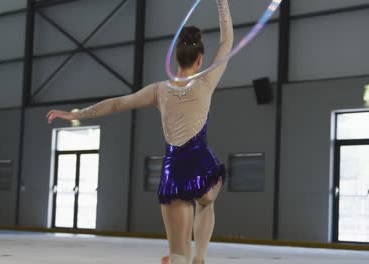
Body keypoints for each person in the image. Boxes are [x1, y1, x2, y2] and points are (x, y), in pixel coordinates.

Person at [46, 1, 233, 263]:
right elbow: (227, 44)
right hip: (201, 164)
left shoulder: (158, 90)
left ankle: (181, 259)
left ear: (175, 57)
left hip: (174, 171)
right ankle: (199, 257)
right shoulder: (205, 81)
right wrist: (222, 3)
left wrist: (75, 115)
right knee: (207, 201)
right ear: (200, 59)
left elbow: (116, 104)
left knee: (178, 253)